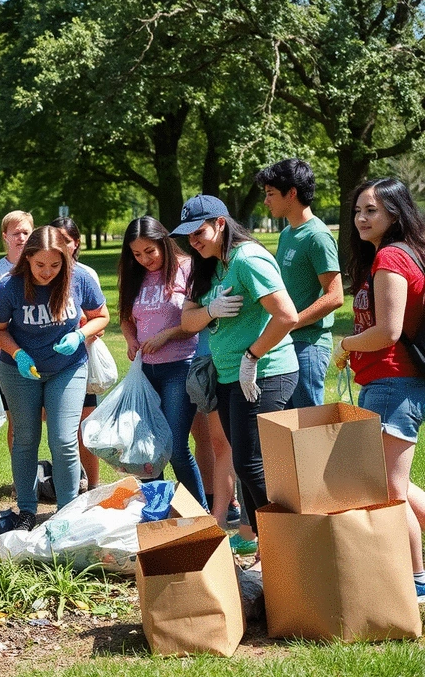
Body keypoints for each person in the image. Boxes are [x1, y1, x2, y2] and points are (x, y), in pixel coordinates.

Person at [172, 195, 299, 554]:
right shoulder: (211, 262)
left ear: (221, 223)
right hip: (228, 376)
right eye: (188, 236)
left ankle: (285, 543)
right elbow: (187, 321)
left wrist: (252, 356)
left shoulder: (247, 259)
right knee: (247, 464)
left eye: (200, 232)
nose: (194, 241)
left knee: (251, 463)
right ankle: (269, 543)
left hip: (265, 373)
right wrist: (210, 309)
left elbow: (287, 316)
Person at [333, 178, 425, 602]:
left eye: (372, 209)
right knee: (399, 486)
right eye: (358, 210)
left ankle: (417, 583)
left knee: (388, 490)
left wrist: (346, 345)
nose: (362, 218)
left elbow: (386, 332)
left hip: (392, 383)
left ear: (395, 212)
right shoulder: (403, 253)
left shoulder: (390, 256)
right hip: (393, 382)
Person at [0, 226, 109, 530]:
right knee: (25, 438)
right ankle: (27, 511)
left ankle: (68, 511)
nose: (47, 272)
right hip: (21, 370)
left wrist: (80, 335)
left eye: (55, 265)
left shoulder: (80, 278)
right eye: (40, 265)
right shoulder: (9, 287)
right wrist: (18, 354)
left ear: (67, 258)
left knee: (63, 439)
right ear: (28, 259)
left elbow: (101, 315)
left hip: (67, 367)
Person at [118, 216, 207, 507]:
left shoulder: (187, 268)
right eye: (137, 254)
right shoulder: (134, 275)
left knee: (176, 447)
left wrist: (168, 335)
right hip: (146, 371)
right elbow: (126, 318)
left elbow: (197, 319)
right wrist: (131, 339)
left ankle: (199, 514)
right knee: (146, 447)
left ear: (164, 244)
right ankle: (160, 510)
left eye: (150, 251)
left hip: (180, 367)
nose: (144, 259)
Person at [256, 158, 343, 407]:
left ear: (291, 193)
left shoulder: (318, 236)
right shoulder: (286, 234)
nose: (266, 201)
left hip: (309, 345)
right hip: (285, 341)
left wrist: (291, 323)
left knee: (309, 429)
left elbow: (335, 296)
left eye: (271, 194)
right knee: (286, 429)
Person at [49, 216, 102, 489]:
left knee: (84, 425)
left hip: (79, 361)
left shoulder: (85, 275)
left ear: (76, 243)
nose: (60, 247)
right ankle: (67, 481)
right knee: (58, 431)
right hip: (48, 364)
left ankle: (93, 483)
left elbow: (100, 321)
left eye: (65, 242)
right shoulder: (42, 273)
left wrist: (81, 330)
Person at [0, 210, 34, 455]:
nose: (21, 238)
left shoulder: (40, 266)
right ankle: (22, 478)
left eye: (26, 232)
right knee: (17, 421)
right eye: (15, 233)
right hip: (4, 360)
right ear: (5, 236)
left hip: (42, 355)